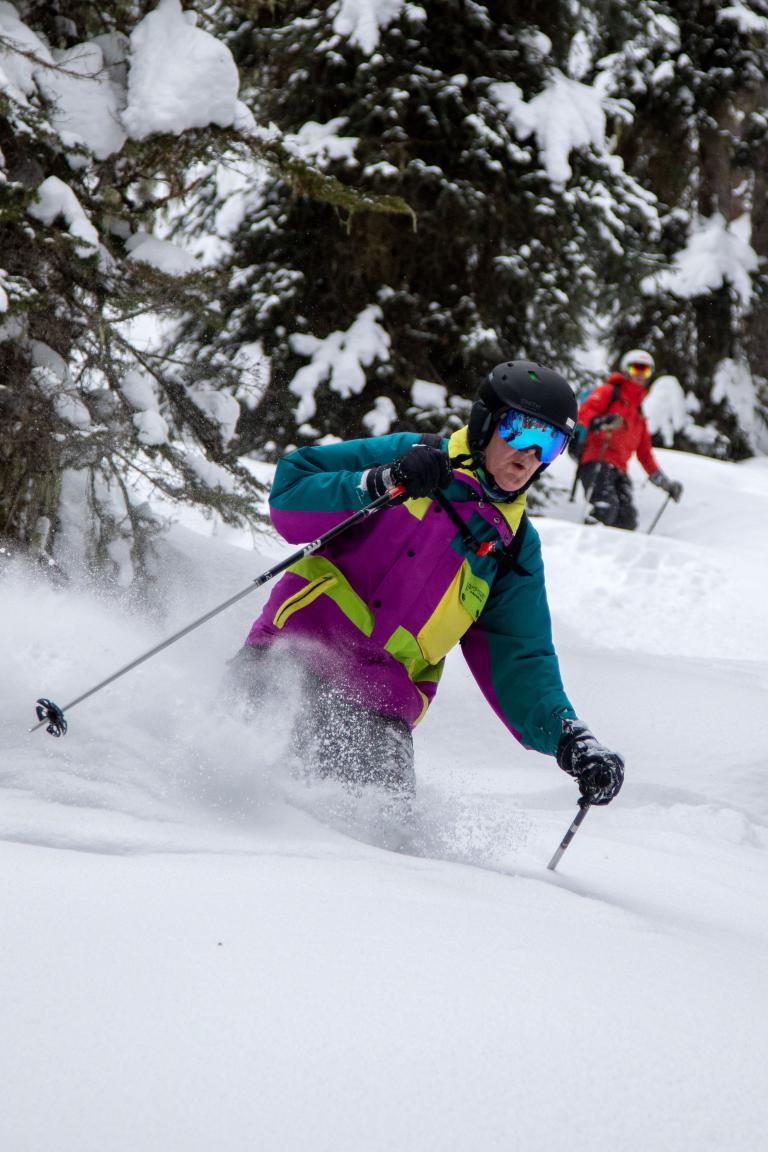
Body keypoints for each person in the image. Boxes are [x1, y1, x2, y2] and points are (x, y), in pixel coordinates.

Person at [228, 360, 624, 806]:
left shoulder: (512, 547)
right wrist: (380, 482)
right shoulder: (410, 457)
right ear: (487, 422)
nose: (529, 454)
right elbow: (289, 497)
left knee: (387, 838)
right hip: (289, 659)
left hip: (379, 713)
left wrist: (570, 740)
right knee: (226, 787)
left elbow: (520, 656)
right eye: (520, 431)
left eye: (549, 444)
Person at [575, 349, 683, 530]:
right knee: (605, 508)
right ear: (626, 370)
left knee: (627, 520)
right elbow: (583, 413)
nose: (640, 374)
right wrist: (601, 422)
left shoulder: (639, 415)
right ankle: (587, 541)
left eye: (645, 370)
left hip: (620, 470)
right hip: (597, 461)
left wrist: (665, 484)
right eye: (635, 369)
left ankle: (610, 548)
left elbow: (645, 455)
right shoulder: (609, 392)